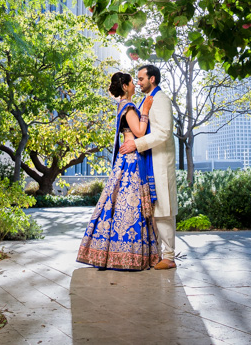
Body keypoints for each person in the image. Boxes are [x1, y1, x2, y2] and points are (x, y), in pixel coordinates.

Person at [76, 72, 161, 270]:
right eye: (132, 82)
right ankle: (128, 254)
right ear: (125, 86)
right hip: (131, 160)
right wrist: (146, 109)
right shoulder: (129, 107)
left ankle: (114, 252)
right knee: (130, 206)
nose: (134, 85)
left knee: (117, 204)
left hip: (126, 157)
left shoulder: (122, 105)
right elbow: (139, 132)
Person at [119, 64, 177, 269]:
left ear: (152, 79)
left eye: (141, 78)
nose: (139, 82)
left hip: (159, 161)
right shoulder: (146, 100)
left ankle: (169, 257)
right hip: (148, 161)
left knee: (164, 210)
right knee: (151, 211)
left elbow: (164, 133)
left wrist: (136, 143)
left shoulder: (161, 100)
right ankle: (158, 255)